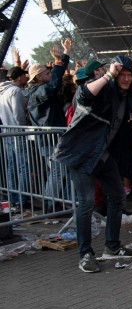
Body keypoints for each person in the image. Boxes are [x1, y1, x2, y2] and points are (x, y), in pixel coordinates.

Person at [53, 57, 132, 273]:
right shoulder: (101, 89)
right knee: (86, 203)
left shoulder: (125, 97)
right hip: (80, 154)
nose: (127, 79)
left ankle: (112, 247)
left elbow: (118, 124)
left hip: (102, 156)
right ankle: (85, 255)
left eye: (130, 76)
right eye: (123, 75)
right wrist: (108, 75)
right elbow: (83, 94)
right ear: (115, 75)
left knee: (118, 196)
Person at [27, 39, 72, 211]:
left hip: (52, 137)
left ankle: (59, 202)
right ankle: (50, 205)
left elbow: (56, 78)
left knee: (60, 171)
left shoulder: (38, 91)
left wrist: (66, 54)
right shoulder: (37, 93)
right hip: (49, 139)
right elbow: (54, 84)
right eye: (47, 72)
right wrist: (59, 62)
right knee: (57, 171)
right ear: (38, 77)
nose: (51, 73)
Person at [0, 66, 30, 206]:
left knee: (12, 166)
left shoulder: (2, 91)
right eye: (24, 75)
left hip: (7, 132)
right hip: (17, 133)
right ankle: (21, 198)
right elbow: (18, 114)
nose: (26, 77)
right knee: (23, 166)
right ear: (19, 77)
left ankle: (13, 198)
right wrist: (23, 130)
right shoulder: (15, 91)